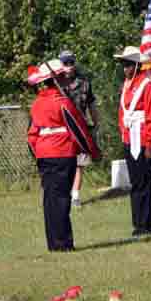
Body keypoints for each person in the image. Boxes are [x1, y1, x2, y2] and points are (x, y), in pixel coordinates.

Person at [27, 60, 99, 252]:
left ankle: (53, 242)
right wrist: (92, 150)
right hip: (61, 152)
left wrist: (39, 152)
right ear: (57, 78)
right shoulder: (63, 102)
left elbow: (32, 134)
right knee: (61, 199)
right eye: (63, 77)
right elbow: (78, 130)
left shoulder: (37, 103)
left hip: (43, 153)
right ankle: (63, 243)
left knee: (50, 198)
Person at [114, 46, 151, 236]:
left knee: (144, 182)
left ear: (137, 65)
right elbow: (122, 112)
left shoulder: (147, 84)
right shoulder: (126, 84)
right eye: (123, 65)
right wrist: (123, 132)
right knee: (135, 183)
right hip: (129, 137)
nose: (125, 68)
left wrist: (149, 144)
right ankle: (137, 223)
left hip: (142, 139)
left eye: (128, 65)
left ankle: (146, 224)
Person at [58, 50, 99, 208]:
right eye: (65, 63)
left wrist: (95, 123)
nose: (68, 66)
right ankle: (63, 194)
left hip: (81, 128)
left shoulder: (84, 83)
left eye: (71, 63)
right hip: (63, 129)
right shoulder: (55, 83)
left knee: (79, 163)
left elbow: (91, 104)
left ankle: (75, 196)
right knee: (63, 163)